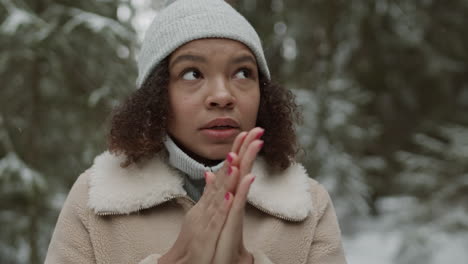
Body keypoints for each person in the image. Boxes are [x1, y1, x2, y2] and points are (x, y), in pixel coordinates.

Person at [45, 0, 347, 263]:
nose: (222, 95)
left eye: (242, 72)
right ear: (157, 94)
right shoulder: (94, 199)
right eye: (192, 73)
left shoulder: (308, 205)